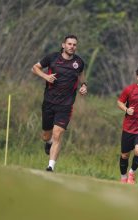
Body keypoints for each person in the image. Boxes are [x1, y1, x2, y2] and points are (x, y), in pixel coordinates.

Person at [31, 34, 87, 172]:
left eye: (74, 45)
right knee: (46, 135)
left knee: (58, 134)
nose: (72, 47)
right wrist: (46, 76)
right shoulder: (52, 57)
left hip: (66, 105)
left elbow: (81, 75)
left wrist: (84, 85)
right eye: (69, 44)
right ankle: (48, 143)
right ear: (63, 45)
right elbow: (35, 68)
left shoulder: (79, 62)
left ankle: (50, 166)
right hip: (49, 102)